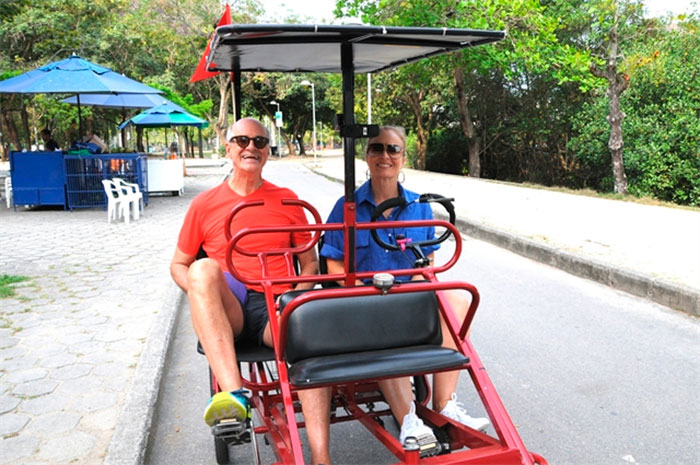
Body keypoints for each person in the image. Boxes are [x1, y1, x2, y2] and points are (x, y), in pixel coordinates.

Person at [170, 118, 331, 465]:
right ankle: (234, 397)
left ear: (267, 152)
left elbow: (311, 265)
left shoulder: (287, 201)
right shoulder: (204, 204)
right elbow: (178, 265)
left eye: (260, 142)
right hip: (231, 302)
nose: (251, 148)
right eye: (242, 140)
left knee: (309, 342)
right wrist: (201, 293)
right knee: (201, 268)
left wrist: (296, 299)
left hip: (276, 299)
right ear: (228, 148)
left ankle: (321, 458)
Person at [320, 125, 490, 452]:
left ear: (403, 157)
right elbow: (335, 268)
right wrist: (370, 294)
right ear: (367, 157)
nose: (385, 156)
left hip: (406, 295)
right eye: (377, 149)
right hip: (362, 301)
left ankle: (444, 404)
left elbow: (427, 264)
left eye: (392, 149)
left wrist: (407, 291)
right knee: (387, 320)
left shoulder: (421, 207)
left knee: (457, 301)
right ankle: (409, 419)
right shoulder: (346, 207)